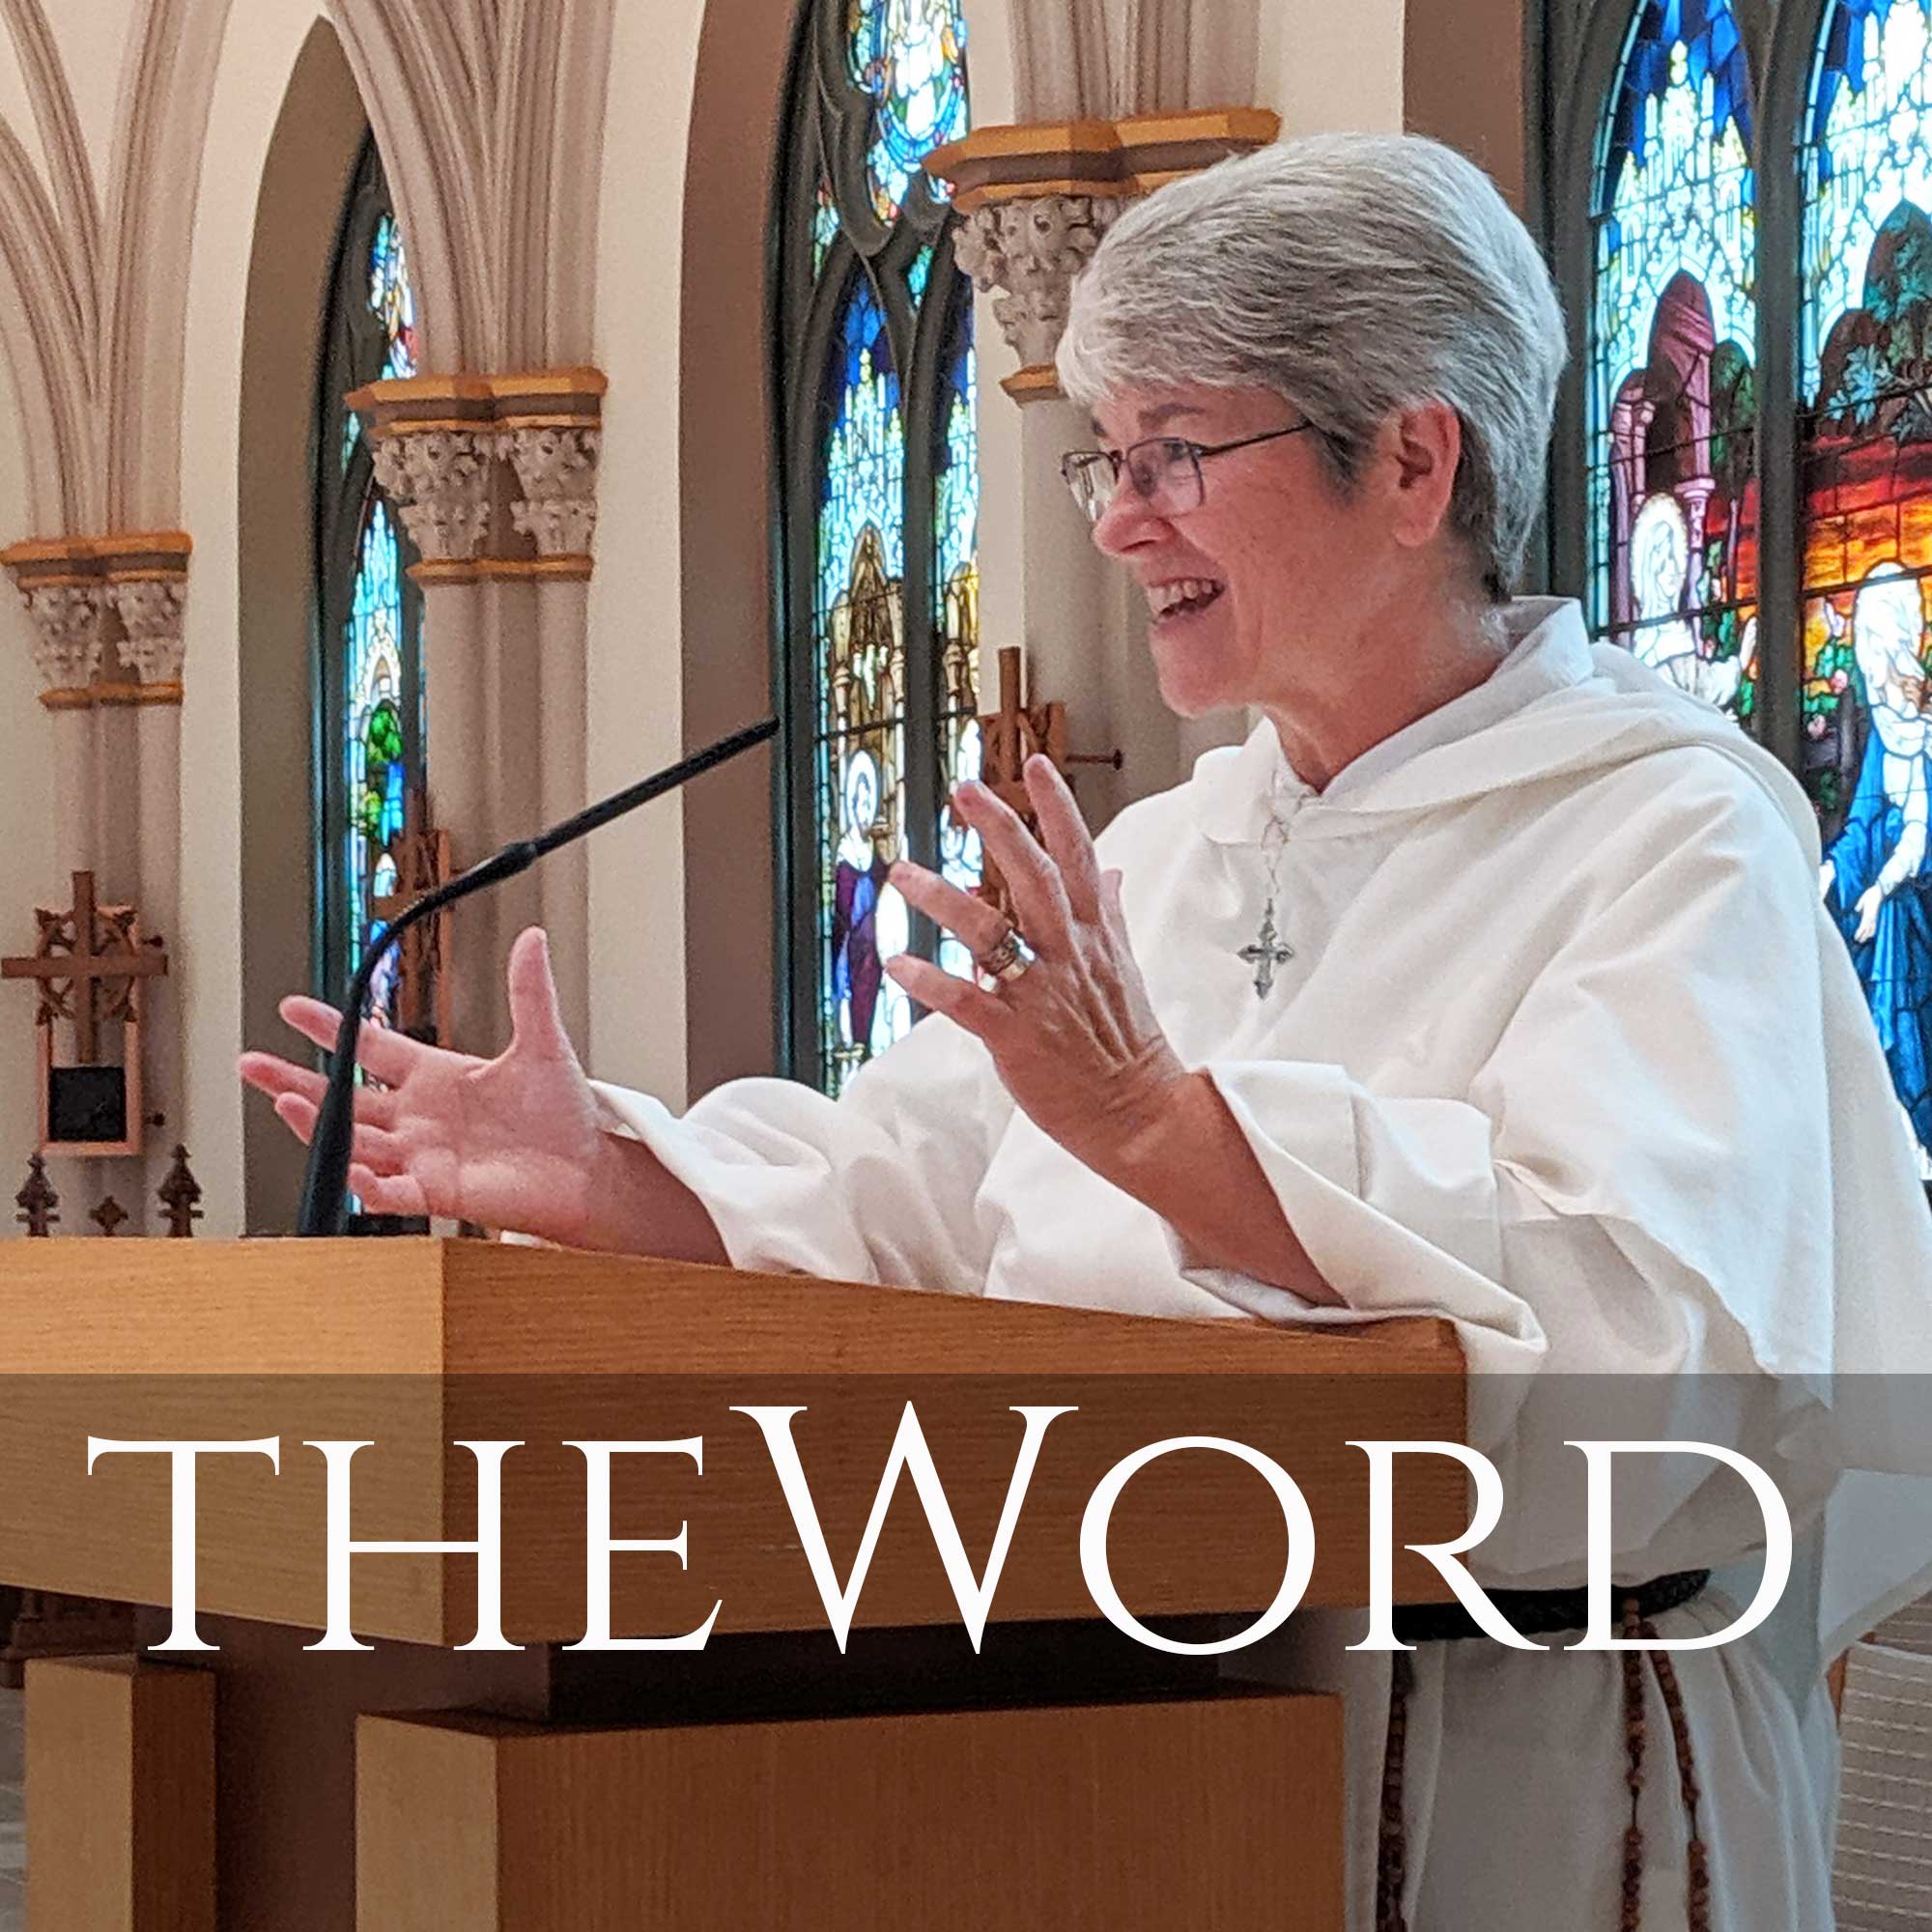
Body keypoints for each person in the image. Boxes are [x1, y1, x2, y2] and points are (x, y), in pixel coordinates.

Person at [242, 133, 1932, 1929]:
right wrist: (613, 1174)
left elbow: (1658, 1357)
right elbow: (906, 1206)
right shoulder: (1165, 856)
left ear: (1414, 461)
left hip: (1538, 1785)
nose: (1121, 521)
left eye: (1176, 454)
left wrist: (1162, 1131)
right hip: (1128, 1761)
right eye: (1108, 462)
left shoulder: (1669, 833)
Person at [1823, 563, 1932, 1161]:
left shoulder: (1923, 735)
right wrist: (1827, 872)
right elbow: (1862, 826)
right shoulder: (1883, 740)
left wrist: (1882, 889)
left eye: (1876, 638)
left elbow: (1916, 835)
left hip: (1916, 907)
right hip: (1885, 907)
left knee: (1900, 990)